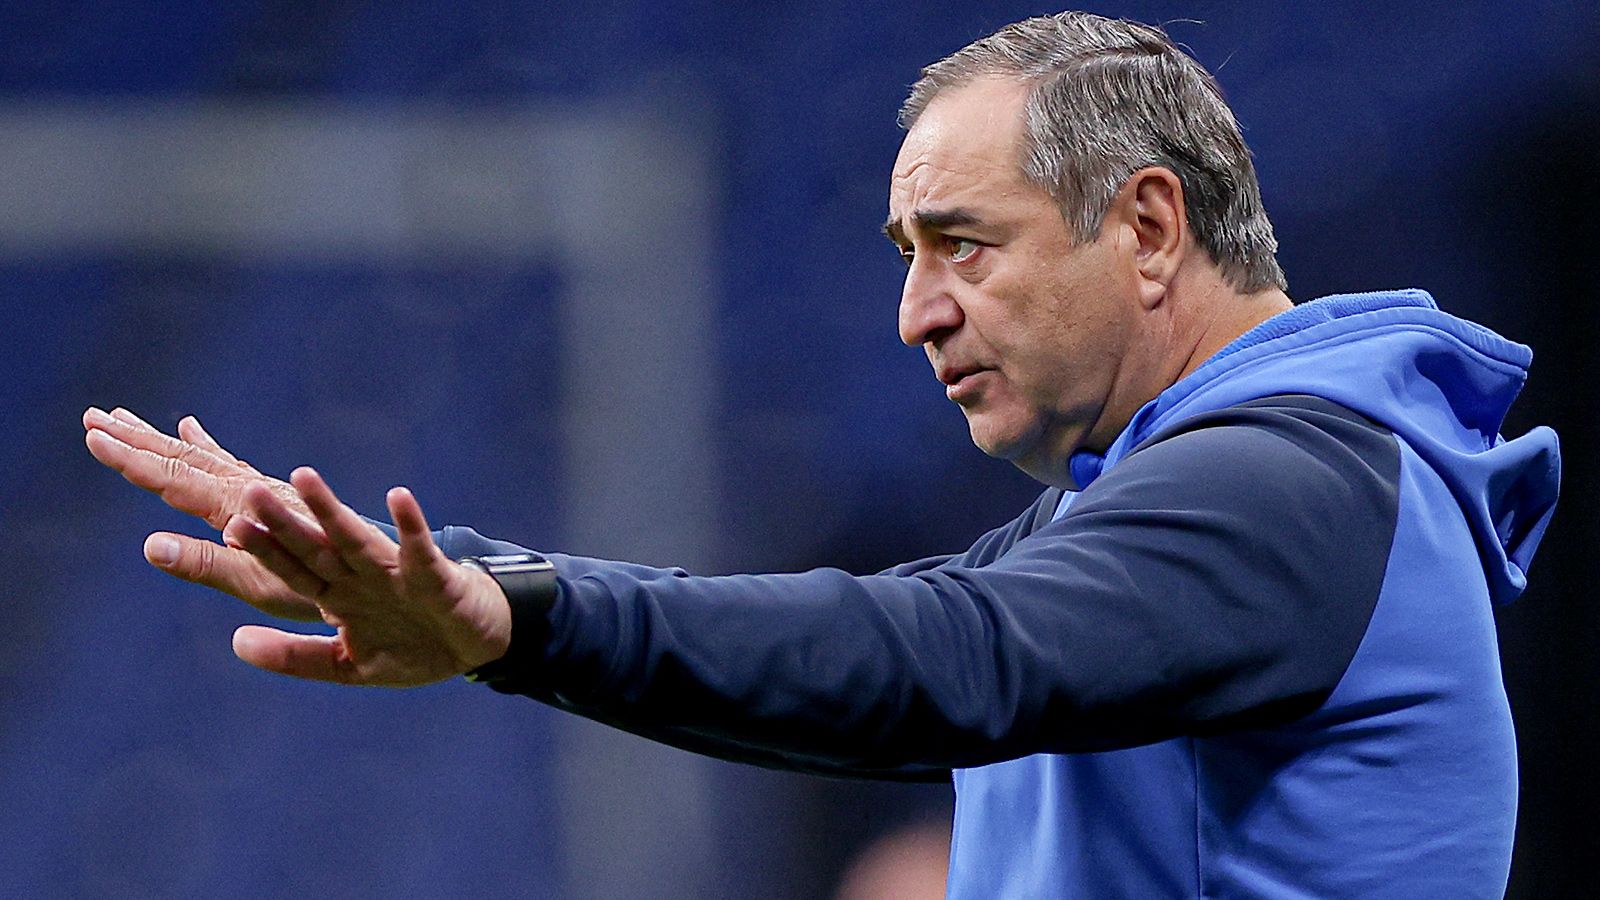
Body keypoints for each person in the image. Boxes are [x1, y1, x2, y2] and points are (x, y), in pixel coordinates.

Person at [83, 11, 1559, 898]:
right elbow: (921, 628)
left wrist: (514, 616)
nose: (916, 314)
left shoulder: (1289, 487)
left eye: (963, 245)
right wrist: (460, 580)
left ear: (1151, 227)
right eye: (905, 254)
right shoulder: (1182, 487)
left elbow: (936, 655)